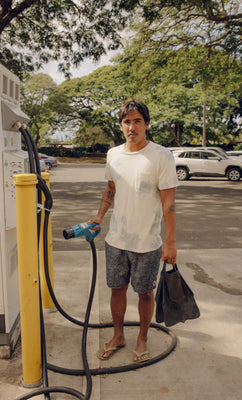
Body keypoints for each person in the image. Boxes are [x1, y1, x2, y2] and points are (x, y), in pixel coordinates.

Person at [88, 100, 179, 363]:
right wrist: (100, 215)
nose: (132, 126)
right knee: (116, 290)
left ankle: (142, 337)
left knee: (144, 292)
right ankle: (118, 335)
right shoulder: (113, 154)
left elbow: (169, 202)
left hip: (147, 242)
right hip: (116, 239)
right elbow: (111, 189)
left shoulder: (161, 155)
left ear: (147, 124)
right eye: (127, 121)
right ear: (121, 126)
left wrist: (170, 243)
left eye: (137, 120)